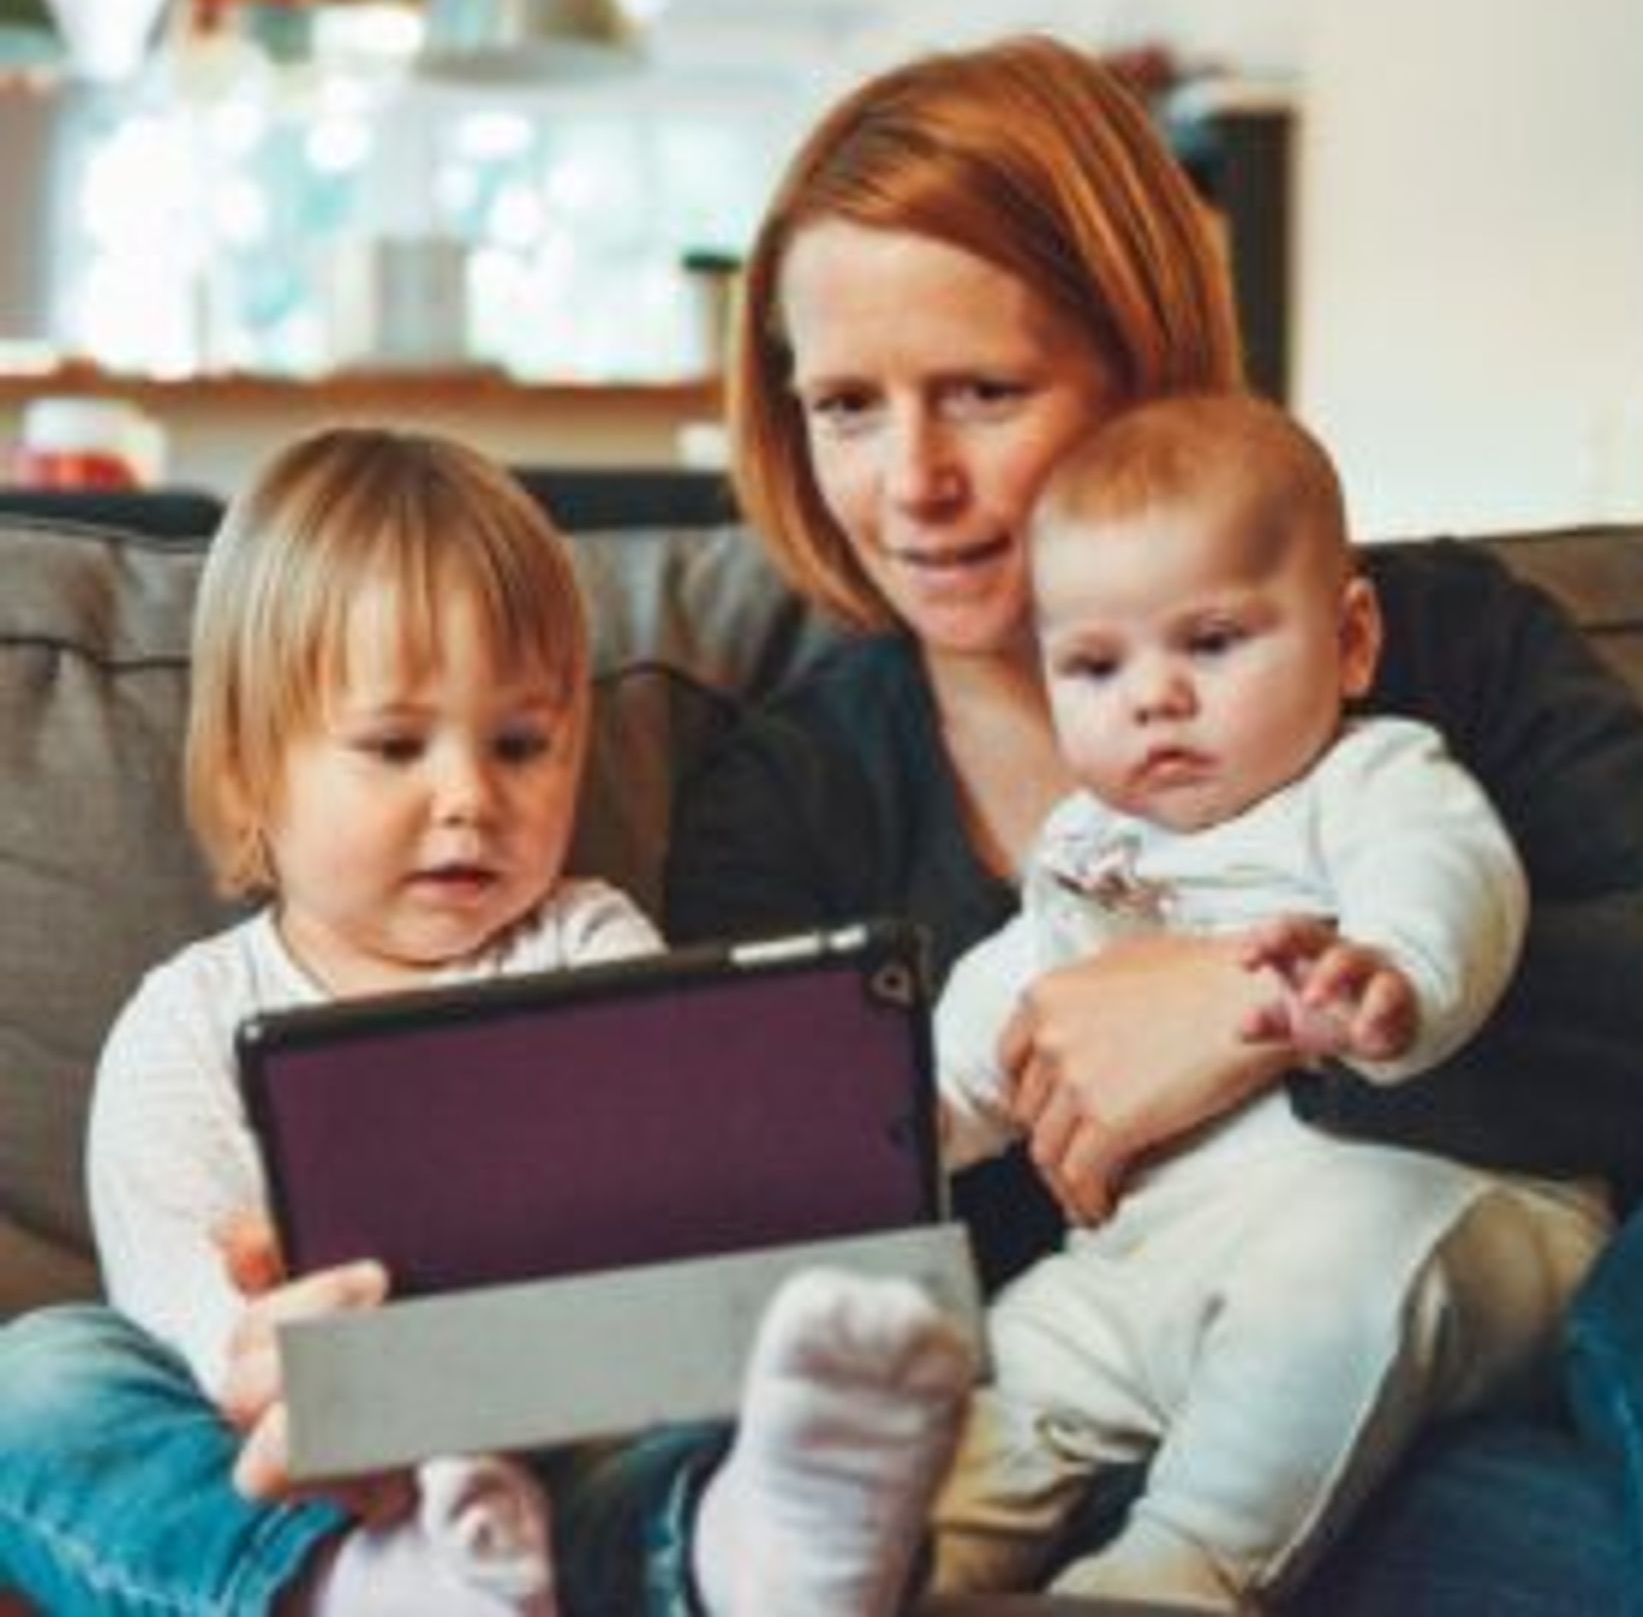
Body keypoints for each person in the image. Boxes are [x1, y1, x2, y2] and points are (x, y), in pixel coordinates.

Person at [660, 33, 1643, 1608]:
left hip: (1522, 1328)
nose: (912, 479)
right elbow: (786, 1236)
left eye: (983, 391)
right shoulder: (792, 798)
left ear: (1142, 369)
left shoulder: (1425, 641)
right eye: (848, 406)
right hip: (1137, 1427)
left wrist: (1263, 1006)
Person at [0, 427, 974, 1616]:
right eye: (395, 746)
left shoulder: (590, 942)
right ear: (253, 769)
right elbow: (179, 1295)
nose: (470, 798)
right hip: (303, 1464)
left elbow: (678, 1192)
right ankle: (362, 1591)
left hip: (569, 1435)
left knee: (704, 1423)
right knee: (39, 1379)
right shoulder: (191, 1017)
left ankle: (754, 1552)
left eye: (520, 744)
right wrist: (264, 1350)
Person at [925, 391, 1608, 1603]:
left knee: (1336, 1263)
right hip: (1154, 1262)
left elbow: (1446, 872)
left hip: (1438, 1220)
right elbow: (1013, 997)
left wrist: (1393, 973)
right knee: (1018, 1351)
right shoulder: (1088, 842)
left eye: (1211, 642)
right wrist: (918, 1117)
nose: (1154, 697)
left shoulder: (1368, 774)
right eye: (1094, 664)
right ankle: (904, 1562)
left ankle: (1173, 1571)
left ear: (1348, 641)